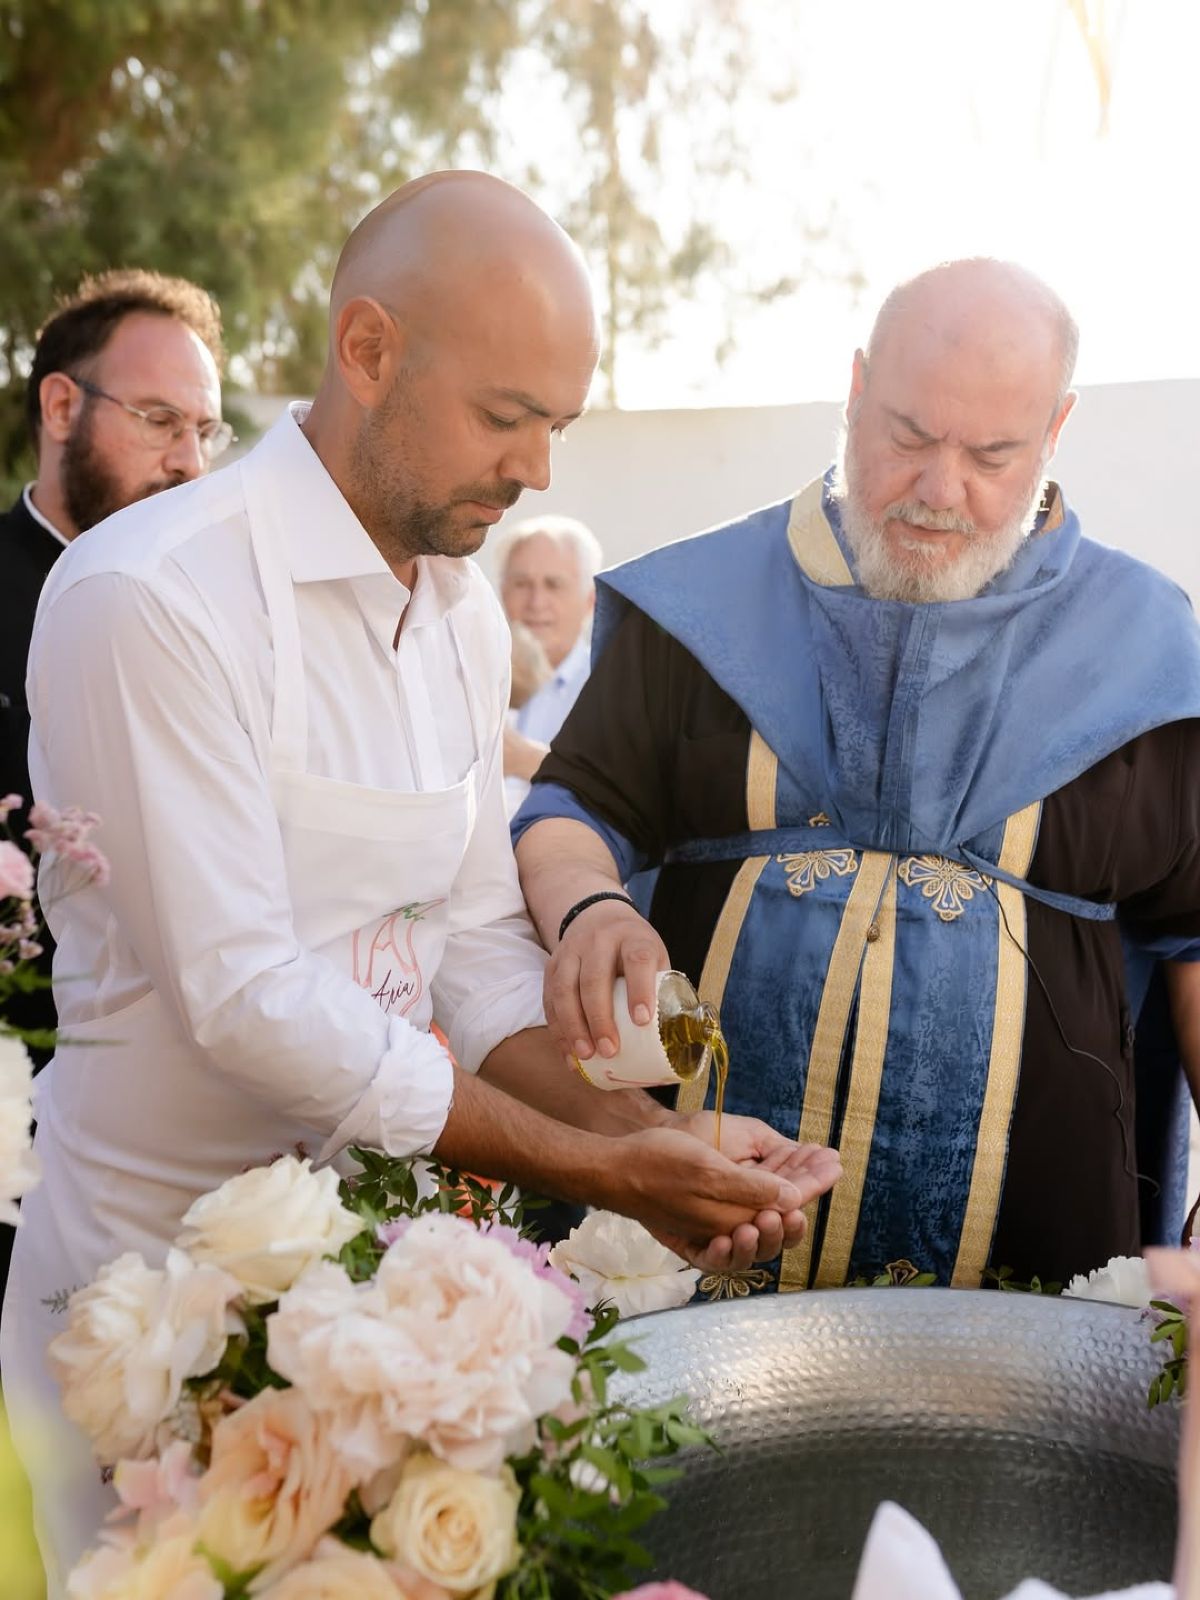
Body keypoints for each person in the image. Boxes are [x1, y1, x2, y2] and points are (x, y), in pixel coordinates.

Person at [1, 172, 839, 1590]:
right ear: (369, 350)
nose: (538, 472)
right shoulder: (152, 595)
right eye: (506, 418)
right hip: (136, 1317)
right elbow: (247, 1000)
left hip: (377, 1307)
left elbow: (465, 943)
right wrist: (598, 1169)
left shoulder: (455, 614)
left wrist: (651, 1134)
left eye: (557, 426)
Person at [513, 257, 1200, 1301]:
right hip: (686, 1241)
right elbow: (574, 806)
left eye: (992, 455)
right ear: (854, 390)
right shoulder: (706, 606)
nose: (939, 490)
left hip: (1031, 1281)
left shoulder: (1145, 655)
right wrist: (589, 906)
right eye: (909, 436)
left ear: (1055, 433)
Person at [497, 514, 602, 815]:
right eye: (521, 584)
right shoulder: (469, 677)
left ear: (590, 600)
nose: (536, 602)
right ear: (502, 593)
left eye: (554, 585)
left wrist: (528, 760)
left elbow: (629, 797)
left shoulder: (613, 689)